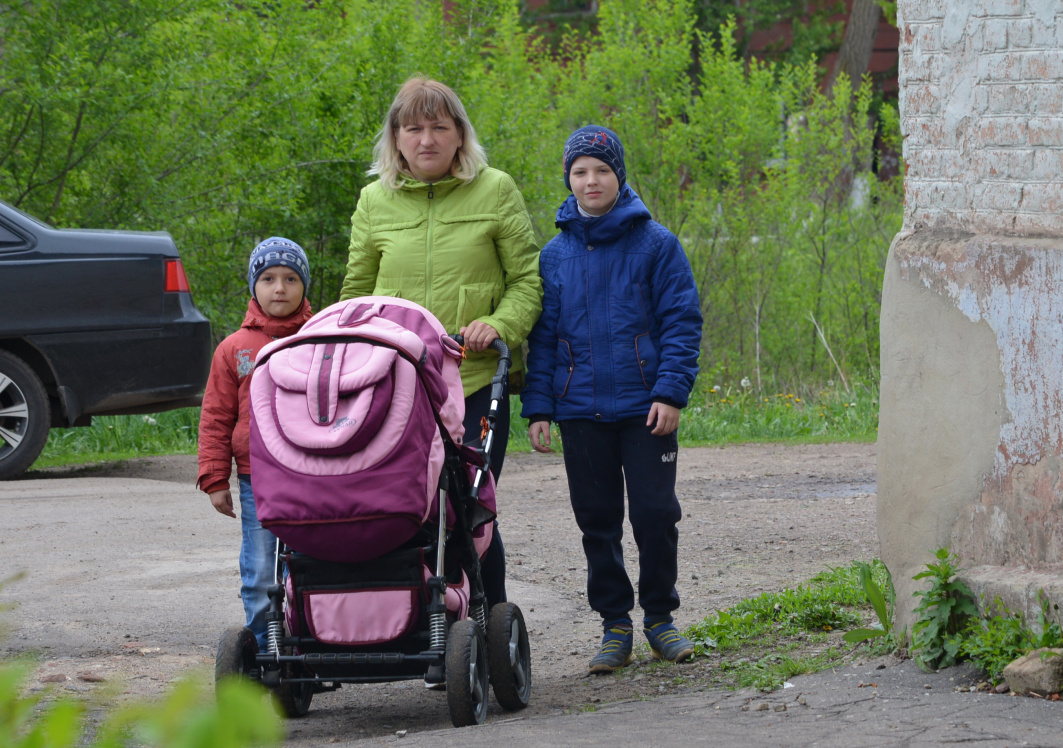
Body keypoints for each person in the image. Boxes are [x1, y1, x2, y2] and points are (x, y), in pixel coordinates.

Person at [341, 76, 542, 609]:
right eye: (413, 128)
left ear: (459, 136)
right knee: (400, 505)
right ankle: (417, 623)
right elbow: (354, 299)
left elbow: (528, 281)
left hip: (472, 381)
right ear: (396, 138)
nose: (426, 139)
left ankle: (489, 627)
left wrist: (498, 325)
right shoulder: (373, 201)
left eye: (438, 127)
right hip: (396, 386)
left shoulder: (495, 189)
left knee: (469, 504)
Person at [521, 125, 703, 674]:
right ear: (568, 179)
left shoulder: (657, 245)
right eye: (580, 171)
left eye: (601, 170)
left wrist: (671, 392)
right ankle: (615, 626)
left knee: (654, 516)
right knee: (597, 521)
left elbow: (682, 322)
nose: (591, 180)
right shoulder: (553, 255)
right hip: (580, 412)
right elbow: (545, 337)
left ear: (619, 175)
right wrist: (539, 408)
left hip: (647, 410)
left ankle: (660, 620)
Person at [198, 237, 314, 652]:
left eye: (289, 278)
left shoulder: (322, 337)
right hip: (257, 478)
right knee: (261, 569)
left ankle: (311, 645)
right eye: (267, 278)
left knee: (312, 564)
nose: (279, 288)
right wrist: (214, 477)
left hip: (313, 474)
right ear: (253, 286)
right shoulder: (234, 349)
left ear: (305, 286)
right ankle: (267, 652)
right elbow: (215, 417)